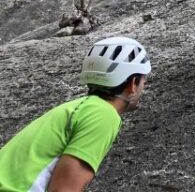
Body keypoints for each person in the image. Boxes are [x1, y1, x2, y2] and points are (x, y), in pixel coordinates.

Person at [0, 36, 151, 192]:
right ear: (133, 83)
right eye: (143, 79)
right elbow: (64, 189)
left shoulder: (77, 108)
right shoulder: (103, 115)